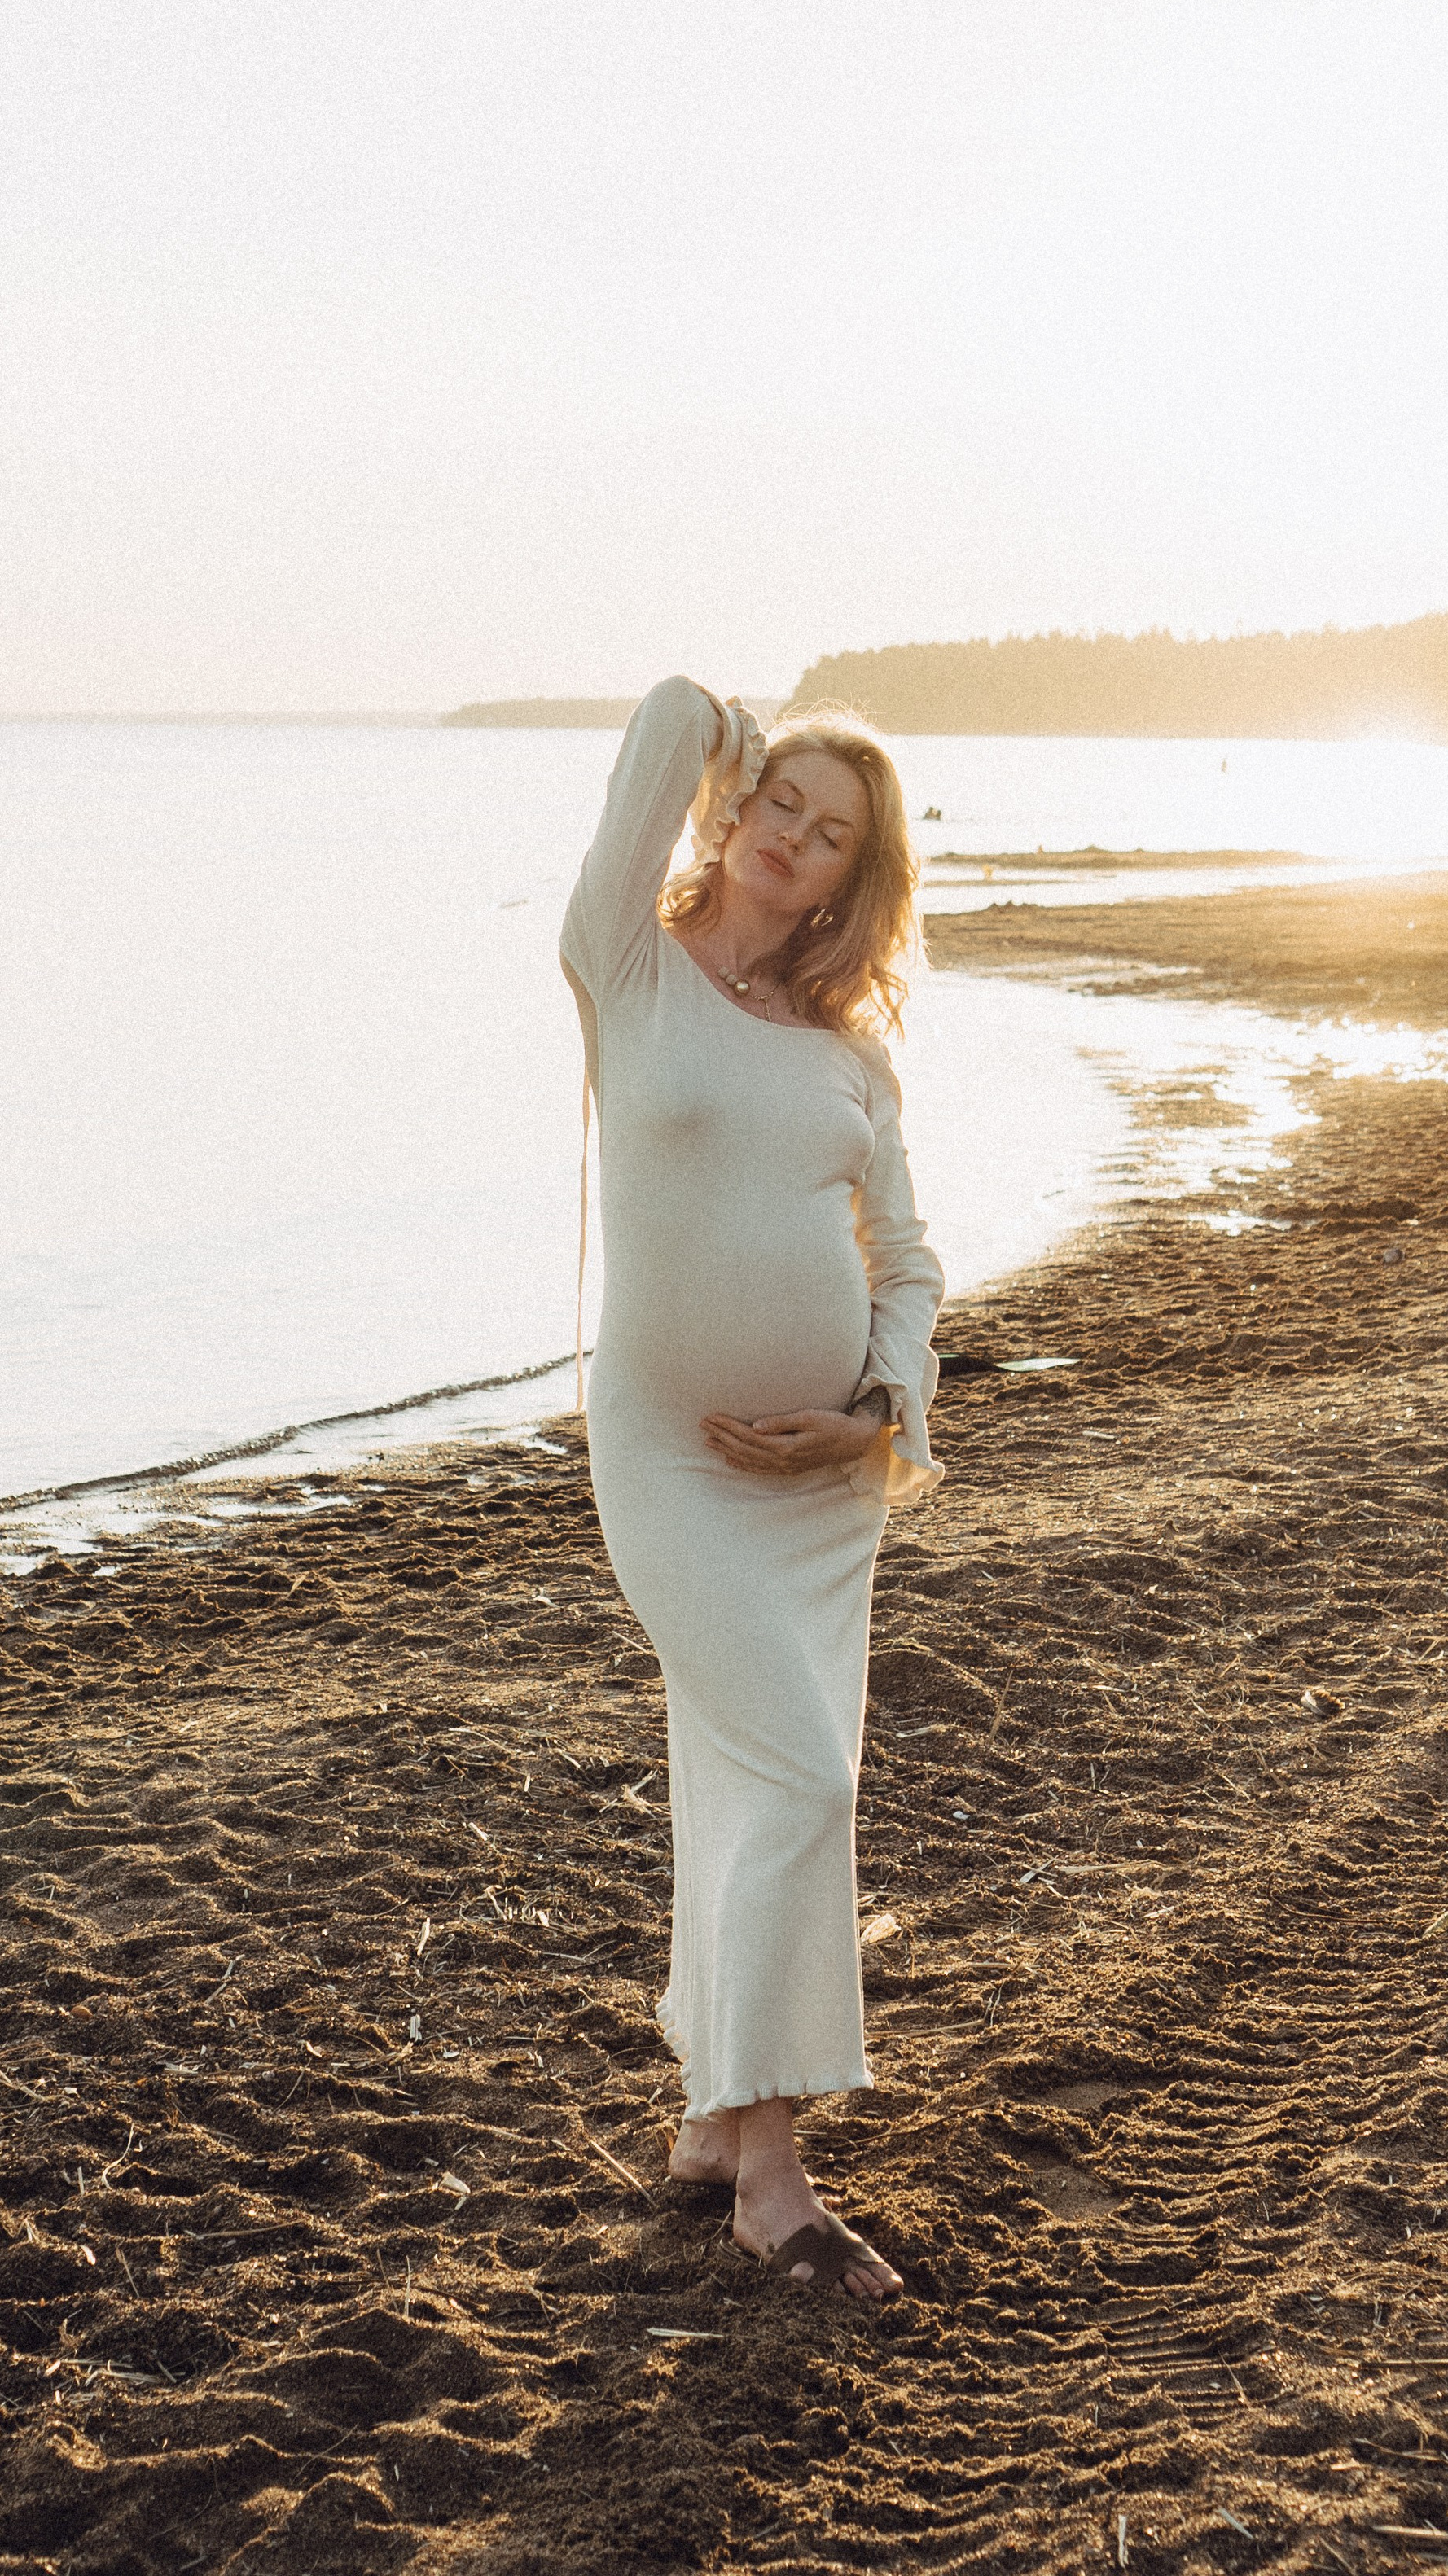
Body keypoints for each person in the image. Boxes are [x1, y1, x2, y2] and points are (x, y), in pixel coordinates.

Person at [561, 677, 944, 2300]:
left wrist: (868, 1408)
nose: (795, 840)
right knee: (802, 1781)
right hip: (661, 1456)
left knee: (748, 1792)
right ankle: (773, 2180)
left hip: (820, 1498)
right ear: (731, 809)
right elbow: (652, 726)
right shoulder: (623, 967)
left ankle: (723, 2125)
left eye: (833, 831)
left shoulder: (853, 1061)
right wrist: (733, 730)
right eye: (779, 804)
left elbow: (912, 1271)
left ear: (862, 880)